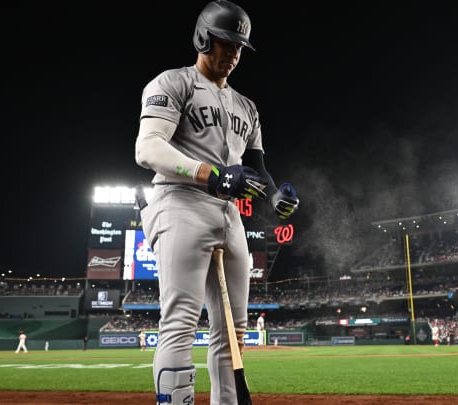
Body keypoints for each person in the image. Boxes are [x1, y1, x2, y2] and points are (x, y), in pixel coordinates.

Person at [134, 1, 300, 403]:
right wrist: (212, 174)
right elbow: (148, 148)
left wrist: (276, 196)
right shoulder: (173, 83)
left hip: (228, 214)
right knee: (180, 323)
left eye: (239, 47)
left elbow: (256, 169)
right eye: (226, 43)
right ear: (203, 37)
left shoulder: (248, 107)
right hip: (180, 202)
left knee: (234, 329)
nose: (233, 53)